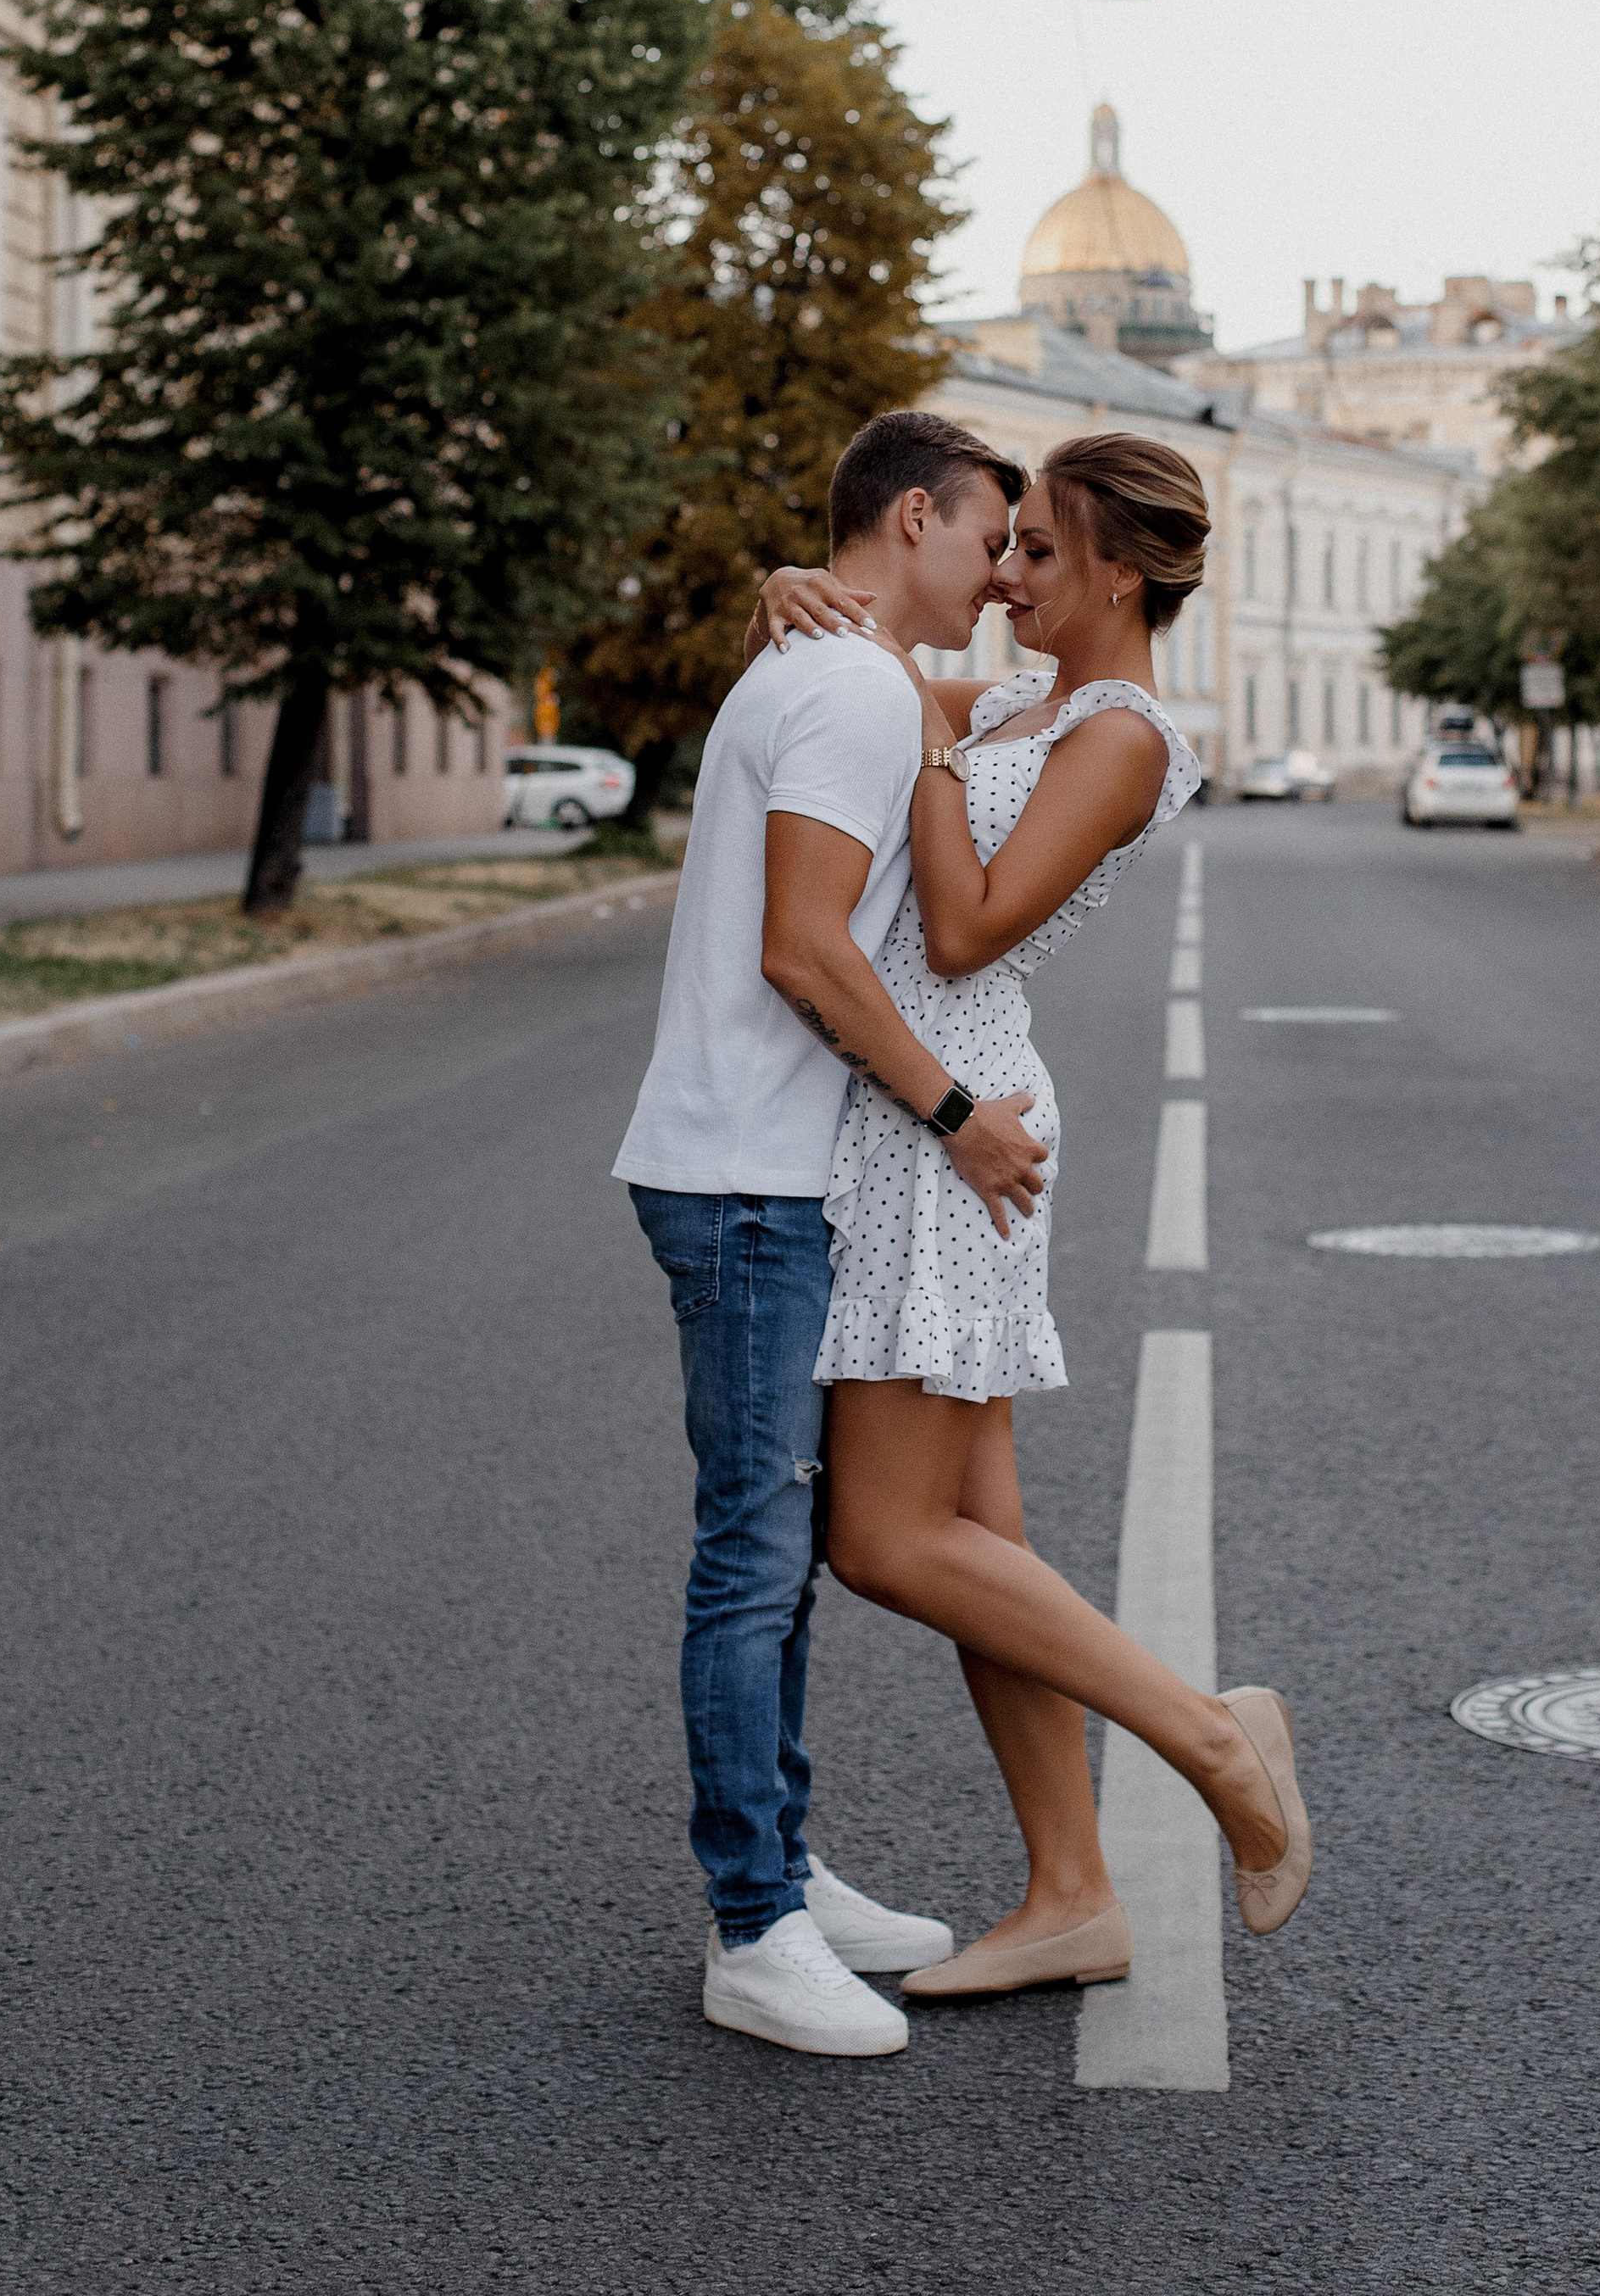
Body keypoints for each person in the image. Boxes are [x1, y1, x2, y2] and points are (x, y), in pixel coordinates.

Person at [750, 432, 1311, 2003]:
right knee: (980, 1540)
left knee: (883, 1539)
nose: (1006, 578)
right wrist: (791, 590)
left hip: (963, 1130)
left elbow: (964, 923)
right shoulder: (1016, 702)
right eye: (1006, 550)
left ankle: (1215, 1742)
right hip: (919, 1113)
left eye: (1041, 555)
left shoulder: (1124, 735)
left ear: (1120, 576)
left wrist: (922, 742)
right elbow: (859, 676)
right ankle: (1074, 1891)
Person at [612, 409, 1051, 2059]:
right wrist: (956, 1117)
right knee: (749, 1554)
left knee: (775, 1553)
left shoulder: (842, 668)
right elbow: (808, 947)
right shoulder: (853, 683)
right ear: (917, 516)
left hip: (750, 1171)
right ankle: (750, 1927)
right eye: (988, 537)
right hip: (741, 1179)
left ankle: (779, 1863)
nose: (1000, 576)